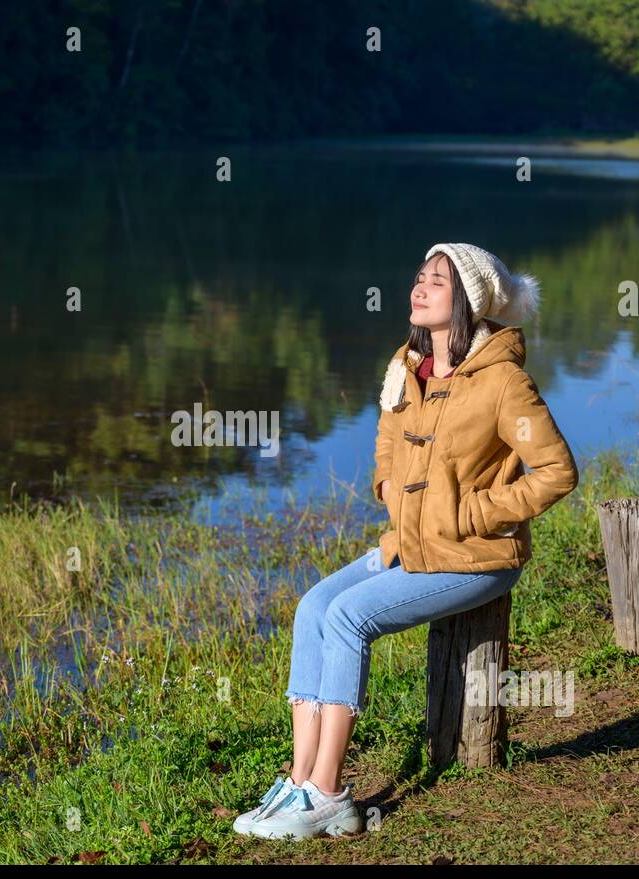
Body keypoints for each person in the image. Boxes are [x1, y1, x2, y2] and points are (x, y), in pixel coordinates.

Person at [234, 242, 579, 841]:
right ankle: (299, 778)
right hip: (411, 546)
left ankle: (329, 793)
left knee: (346, 618)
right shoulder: (407, 366)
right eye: (419, 277)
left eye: (437, 283)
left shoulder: (503, 383)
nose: (419, 289)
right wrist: (389, 483)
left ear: (468, 301)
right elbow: (388, 441)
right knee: (313, 607)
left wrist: (476, 511)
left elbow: (556, 471)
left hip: (477, 557)